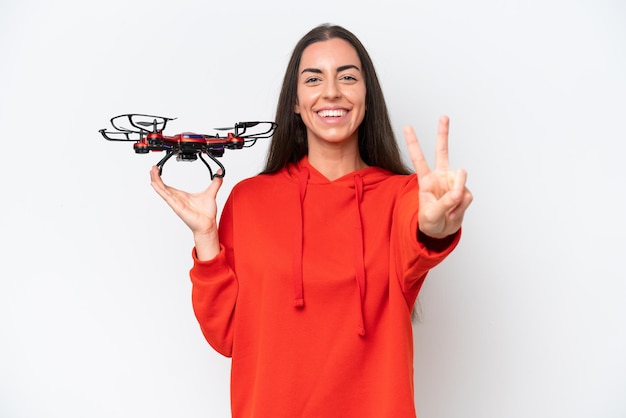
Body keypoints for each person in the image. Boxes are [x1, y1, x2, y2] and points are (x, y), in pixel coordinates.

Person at [150, 23, 472, 418]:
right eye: (314, 78)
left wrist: (438, 227)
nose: (332, 91)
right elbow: (228, 334)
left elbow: (422, 234)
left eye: (348, 77)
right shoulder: (249, 200)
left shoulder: (403, 197)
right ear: (296, 103)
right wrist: (205, 237)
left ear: (367, 98)